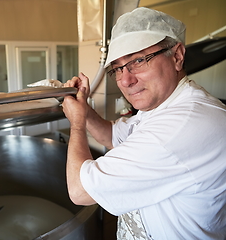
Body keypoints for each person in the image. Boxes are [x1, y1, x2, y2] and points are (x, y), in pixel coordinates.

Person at [62, 7, 226, 240]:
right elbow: (111, 136)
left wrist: (77, 123)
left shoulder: (183, 125)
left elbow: (80, 190)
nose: (126, 80)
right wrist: (85, 109)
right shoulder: (162, 107)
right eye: (118, 68)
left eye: (138, 60)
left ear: (177, 56)